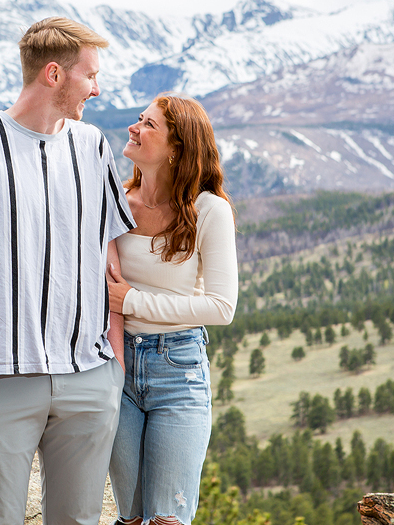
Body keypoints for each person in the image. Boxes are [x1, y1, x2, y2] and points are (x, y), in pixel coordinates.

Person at [0, 16, 136, 525]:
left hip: (88, 379)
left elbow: (111, 259)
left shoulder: (94, 147)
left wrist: (114, 367)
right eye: (91, 76)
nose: (97, 88)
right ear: (55, 75)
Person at [106, 94, 238, 525]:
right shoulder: (116, 202)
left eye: (148, 125)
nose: (134, 128)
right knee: (130, 514)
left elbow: (222, 307)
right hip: (115, 361)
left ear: (177, 149)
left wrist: (133, 301)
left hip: (177, 367)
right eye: (138, 119)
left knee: (166, 518)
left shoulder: (209, 210)